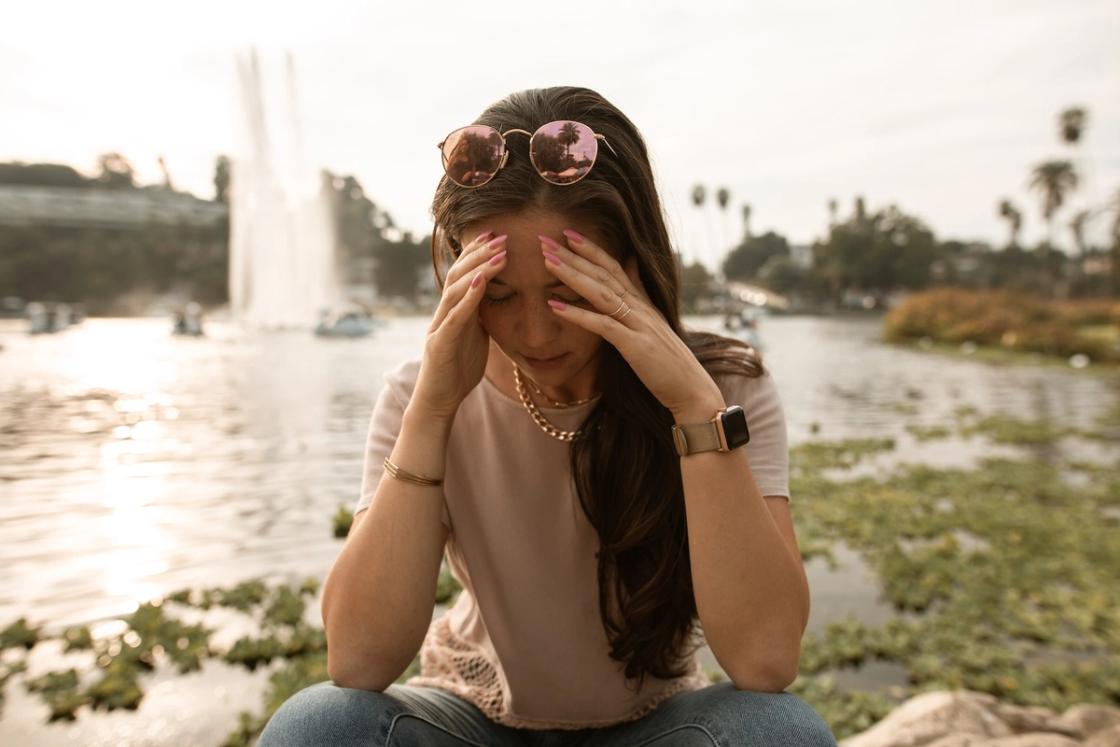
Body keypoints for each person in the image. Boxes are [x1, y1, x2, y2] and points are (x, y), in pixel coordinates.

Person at [259, 86, 836, 746]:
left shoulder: (724, 387)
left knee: (777, 732)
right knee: (321, 725)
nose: (534, 334)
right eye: (498, 294)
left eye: (567, 291)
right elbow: (358, 661)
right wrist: (434, 410)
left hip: (655, 727)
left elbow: (765, 659)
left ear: (633, 264)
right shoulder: (419, 395)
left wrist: (694, 407)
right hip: (473, 721)